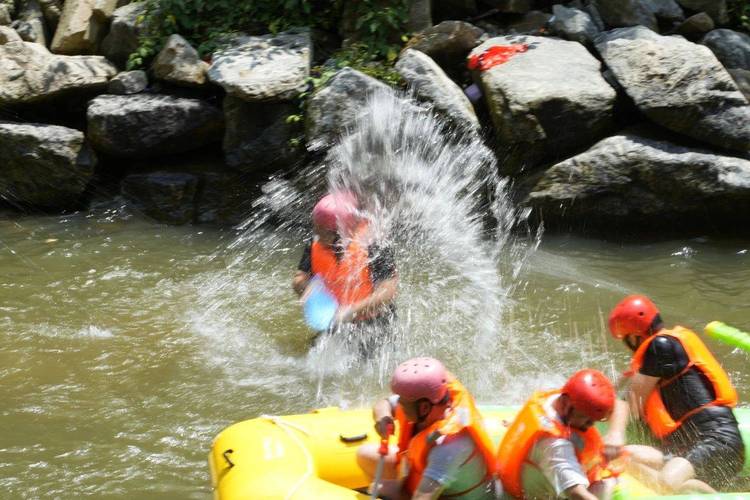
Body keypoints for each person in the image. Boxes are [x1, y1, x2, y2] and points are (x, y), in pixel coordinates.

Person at [604, 294, 744, 493]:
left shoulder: (661, 346)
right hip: (687, 450)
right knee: (624, 457)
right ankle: (701, 487)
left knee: (667, 483)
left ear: (634, 337)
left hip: (716, 441)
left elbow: (630, 402)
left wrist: (614, 434)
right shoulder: (662, 352)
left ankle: (703, 493)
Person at [357, 357, 499, 499]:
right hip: (423, 479)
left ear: (424, 407)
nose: (399, 403)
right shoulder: (428, 400)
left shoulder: (450, 444)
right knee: (365, 455)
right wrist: (383, 418)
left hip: (447, 496)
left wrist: (395, 492)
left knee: (382, 489)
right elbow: (384, 403)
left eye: (403, 402)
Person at [292, 192, 398, 349]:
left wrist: (350, 312)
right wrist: (308, 287)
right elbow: (299, 278)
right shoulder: (315, 243)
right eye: (316, 228)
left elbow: (388, 291)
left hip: (374, 323)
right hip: (333, 320)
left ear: (342, 232)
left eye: (323, 232)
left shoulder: (375, 246)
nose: (317, 235)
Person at [497, 369, 619, 500]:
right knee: (608, 483)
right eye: (588, 419)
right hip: (530, 495)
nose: (591, 425)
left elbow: (620, 405)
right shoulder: (554, 445)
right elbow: (577, 493)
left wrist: (616, 433)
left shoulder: (555, 399)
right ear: (566, 404)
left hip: (513, 481)